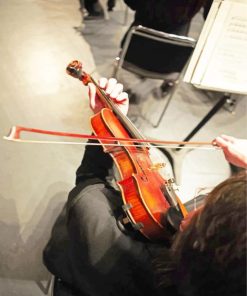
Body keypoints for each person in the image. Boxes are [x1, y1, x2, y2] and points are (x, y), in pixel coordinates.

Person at [43, 78, 246, 296]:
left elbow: (90, 180)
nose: (194, 208)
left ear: (199, 247)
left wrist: (109, 127)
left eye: (202, 213)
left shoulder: (102, 235)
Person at [121, 0, 214, 100]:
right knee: (180, 25)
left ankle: (149, 74)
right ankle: (166, 81)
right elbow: (210, 14)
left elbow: (132, 3)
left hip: (134, 51)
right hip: (172, 59)